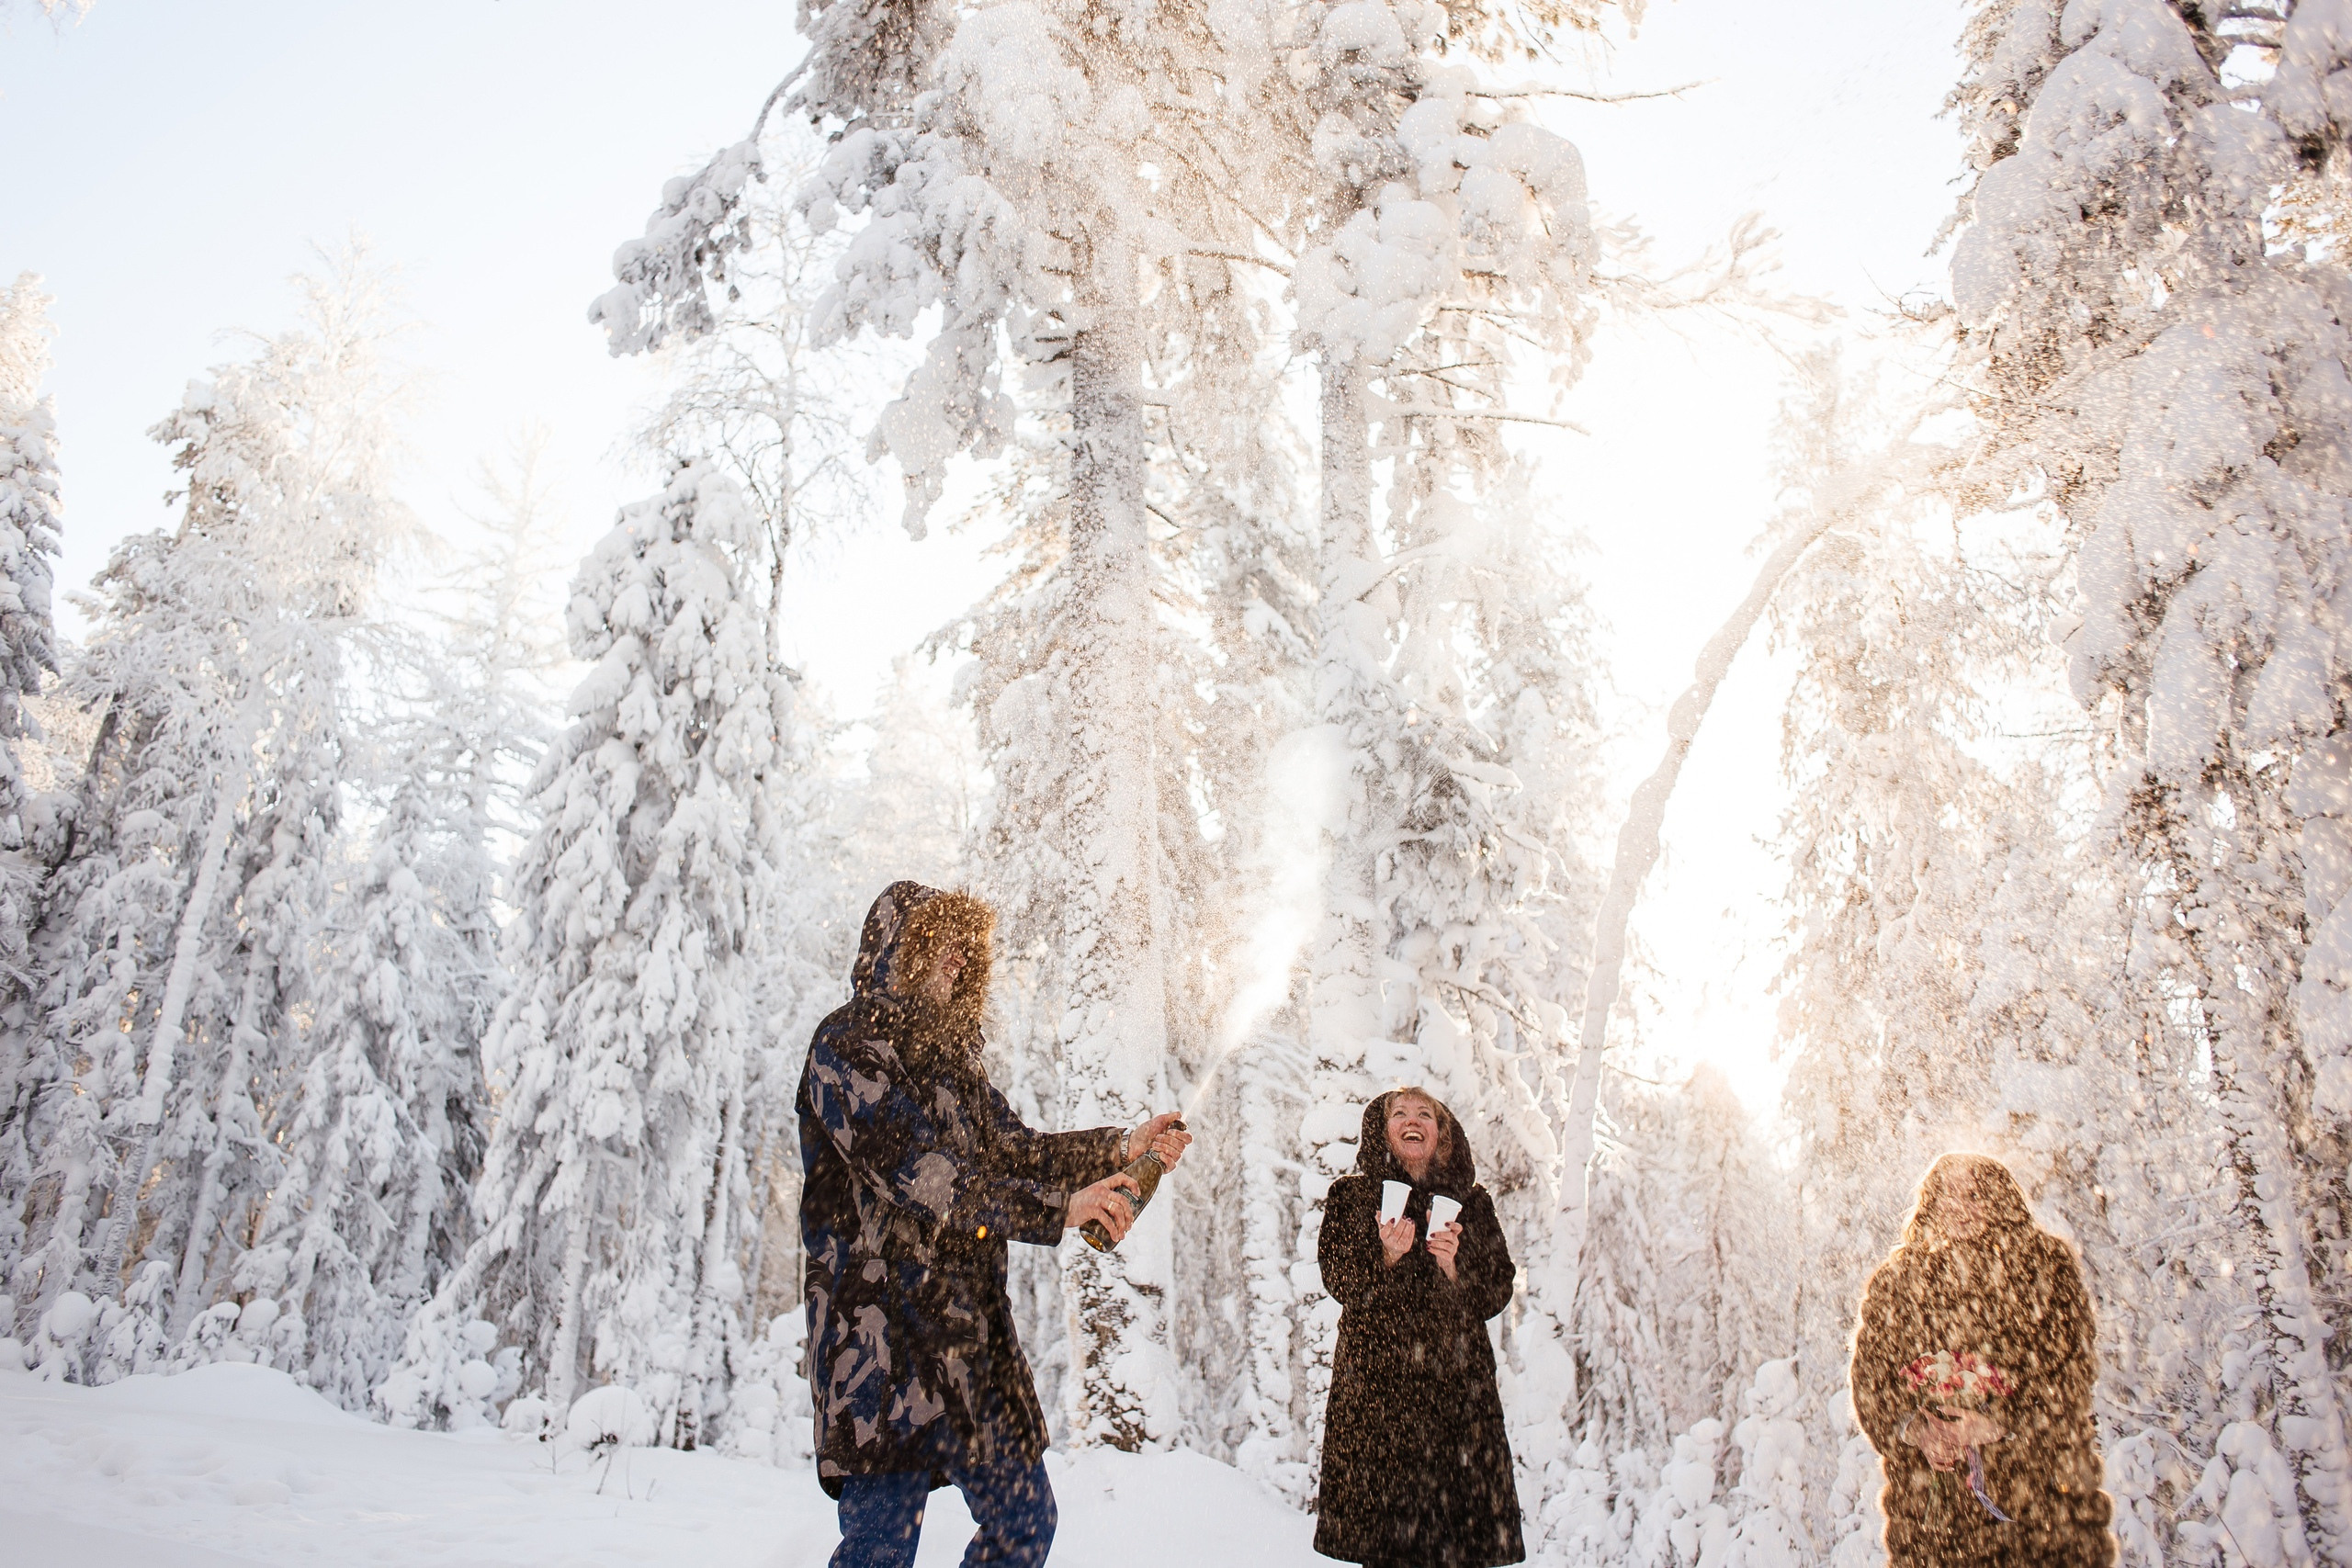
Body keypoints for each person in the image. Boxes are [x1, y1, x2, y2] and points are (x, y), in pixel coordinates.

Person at [797, 881, 1192, 1568]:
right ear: (897, 947)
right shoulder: (847, 1043)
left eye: (964, 944)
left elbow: (1021, 1151)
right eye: (939, 938)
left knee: (1025, 1521)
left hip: (970, 1347)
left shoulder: (959, 1069)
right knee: (880, 1550)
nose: (957, 954)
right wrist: (1057, 1209)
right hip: (882, 1347)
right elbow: (920, 1172)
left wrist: (1119, 1147)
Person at [1850, 1153, 2115, 1568]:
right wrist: (1917, 1429)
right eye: (1946, 1197)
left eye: (1973, 1195)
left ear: (1999, 1198)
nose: (1960, 1208)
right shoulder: (1898, 1283)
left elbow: (2071, 1376)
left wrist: (1999, 1423)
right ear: (1930, 1205)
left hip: (2045, 1511)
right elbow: (1870, 1384)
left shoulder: (2045, 1269)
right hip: (1934, 1528)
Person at [1313, 1087, 1523, 1568]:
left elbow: (1497, 1290)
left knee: (1462, 1551)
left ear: (1442, 1135)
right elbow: (1338, 1279)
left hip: (1458, 1410)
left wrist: (1453, 1266)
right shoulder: (1352, 1198)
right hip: (1378, 1410)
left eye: (1425, 1114)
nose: (1413, 1120)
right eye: (1400, 1113)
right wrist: (1385, 1256)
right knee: (1386, 1552)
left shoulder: (1471, 1204)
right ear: (1382, 1132)